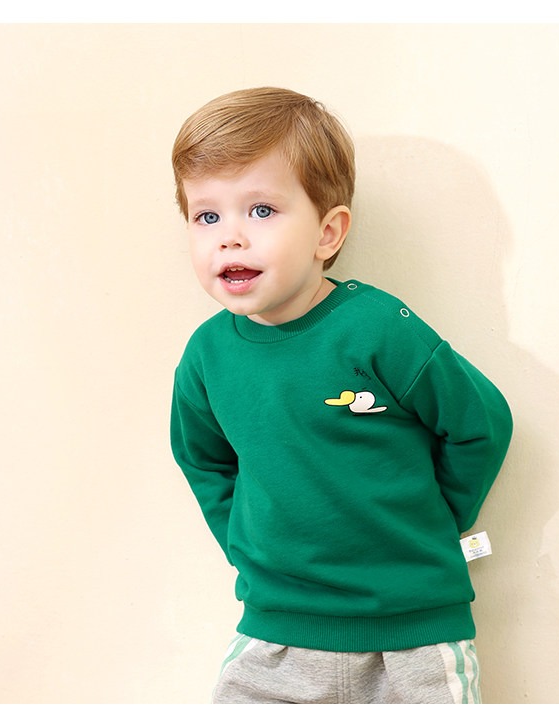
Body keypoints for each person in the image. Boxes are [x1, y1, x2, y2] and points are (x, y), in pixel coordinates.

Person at [170, 87, 512, 704]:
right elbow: (203, 460)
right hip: (276, 634)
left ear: (328, 233)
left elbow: (480, 424)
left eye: (261, 210)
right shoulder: (206, 356)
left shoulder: (378, 329)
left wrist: (438, 521)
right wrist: (245, 542)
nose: (230, 237)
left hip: (413, 637)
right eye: (207, 216)